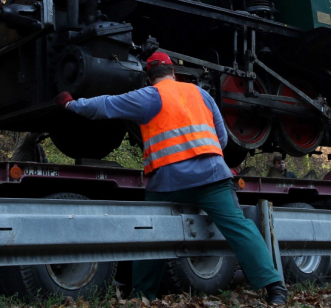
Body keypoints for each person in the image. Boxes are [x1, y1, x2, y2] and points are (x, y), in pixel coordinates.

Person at [55, 52, 288, 305]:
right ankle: (275, 288)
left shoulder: (149, 96)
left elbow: (106, 105)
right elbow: (221, 139)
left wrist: (71, 104)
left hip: (168, 184)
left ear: (149, 76)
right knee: (240, 228)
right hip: (212, 177)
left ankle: (142, 296)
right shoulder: (201, 94)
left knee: (150, 235)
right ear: (173, 72)